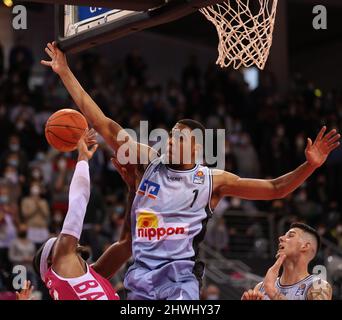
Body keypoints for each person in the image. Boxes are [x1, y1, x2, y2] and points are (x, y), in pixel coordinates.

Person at [42, 41, 340, 300]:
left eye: (180, 137)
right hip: (140, 281)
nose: (171, 140)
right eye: (171, 134)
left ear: (196, 148)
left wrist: (309, 166)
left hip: (180, 284)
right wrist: (64, 72)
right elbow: (104, 123)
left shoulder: (213, 181)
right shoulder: (148, 161)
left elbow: (276, 189)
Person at [26, 130, 131, 300]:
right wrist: (82, 158)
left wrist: (135, 189)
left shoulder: (93, 274)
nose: (64, 240)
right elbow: (77, 204)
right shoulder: (61, 264)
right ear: (52, 263)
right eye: (59, 243)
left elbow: (128, 243)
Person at [241, 223, 332, 300]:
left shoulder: (319, 286)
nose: (281, 238)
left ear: (305, 246)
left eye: (290, 235)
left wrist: (273, 293)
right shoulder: (261, 287)